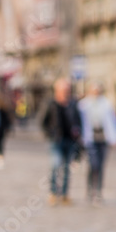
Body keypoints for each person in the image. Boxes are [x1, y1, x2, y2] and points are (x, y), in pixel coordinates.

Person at [78, 82, 116, 205]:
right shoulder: (84, 105)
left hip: (103, 139)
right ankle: (90, 189)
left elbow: (112, 122)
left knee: (101, 166)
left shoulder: (106, 104)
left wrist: (115, 137)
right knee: (93, 164)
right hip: (90, 138)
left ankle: (98, 191)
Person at [41, 78, 83, 206]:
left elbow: (78, 120)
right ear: (57, 90)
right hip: (56, 140)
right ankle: (53, 192)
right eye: (64, 89)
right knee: (55, 165)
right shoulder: (51, 103)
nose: (66, 92)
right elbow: (43, 121)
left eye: (68, 89)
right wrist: (50, 134)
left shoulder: (73, 103)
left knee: (66, 168)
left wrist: (78, 131)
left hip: (70, 140)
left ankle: (65, 194)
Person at [0, 93, 13, 169]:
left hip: (1, 129)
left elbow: (7, 120)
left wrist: (8, 128)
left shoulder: (2, 109)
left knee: (0, 143)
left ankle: (0, 156)